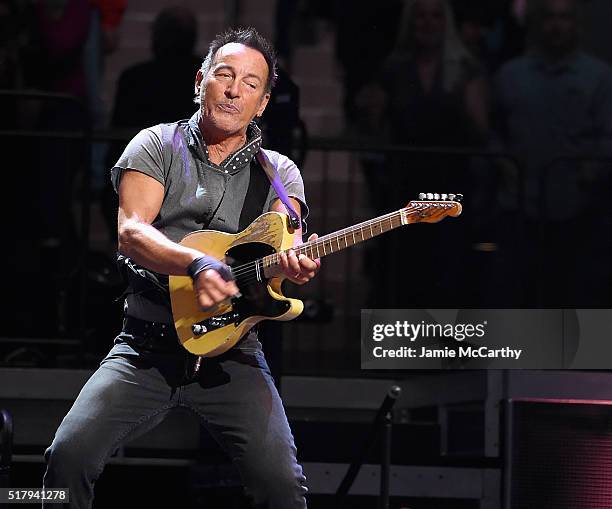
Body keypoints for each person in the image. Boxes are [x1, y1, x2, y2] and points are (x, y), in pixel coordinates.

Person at [43, 27, 320, 508]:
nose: (234, 90)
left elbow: (283, 244)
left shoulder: (280, 173)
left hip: (232, 355)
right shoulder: (156, 144)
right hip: (146, 347)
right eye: (225, 75)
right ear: (200, 82)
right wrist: (195, 262)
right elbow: (132, 232)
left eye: (251, 84)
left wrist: (291, 268)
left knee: (283, 489)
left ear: (263, 102)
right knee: (67, 458)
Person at [494, 0, 612, 305]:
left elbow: (607, 136)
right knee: (519, 296)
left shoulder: (599, 77)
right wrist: (502, 167)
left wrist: (590, 173)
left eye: (564, 17)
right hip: (519, 207)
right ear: (536, 22)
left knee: (571, 299)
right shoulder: (510, 75)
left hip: (577, 210)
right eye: (549, 17)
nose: (557, 26)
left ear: (576, 24)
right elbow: (494, 133)